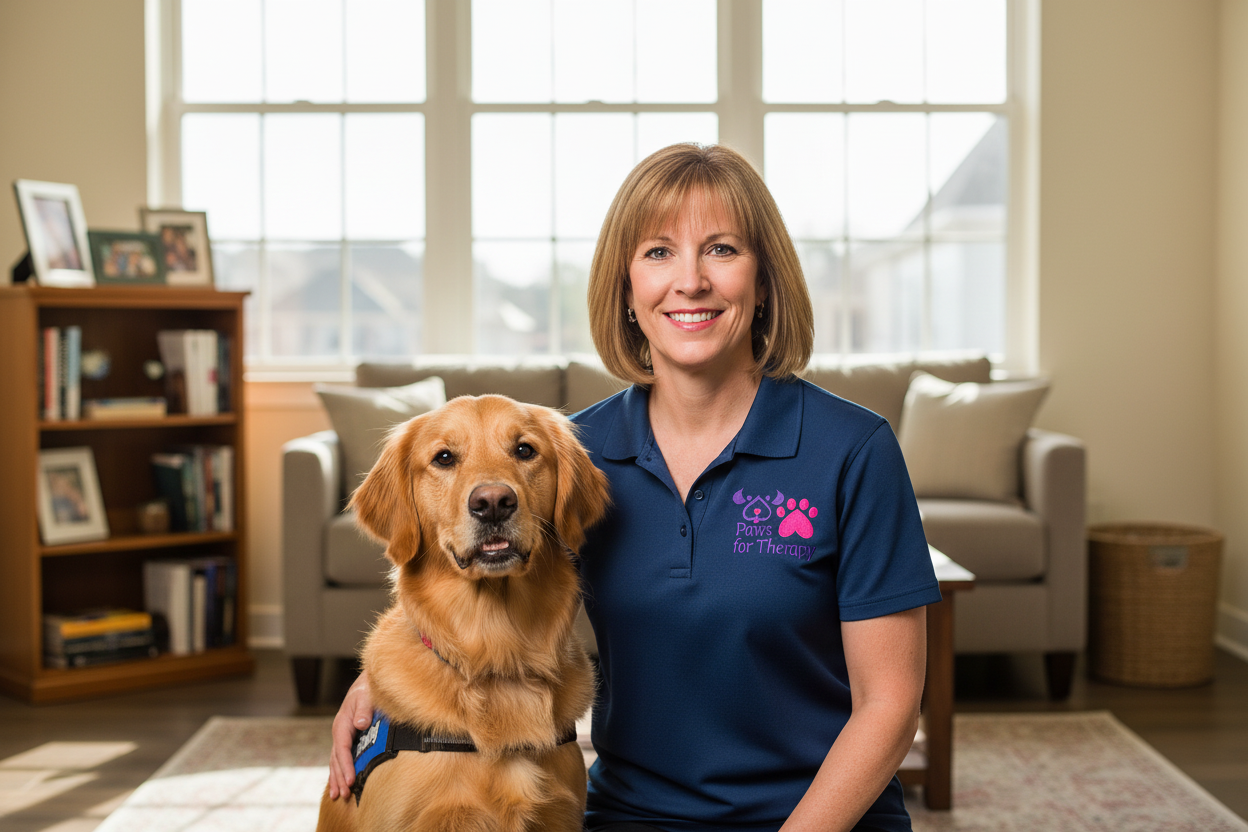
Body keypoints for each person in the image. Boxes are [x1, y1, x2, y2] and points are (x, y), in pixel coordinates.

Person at [326, 144, 941, 832]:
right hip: (632, 817)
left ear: (765, 280)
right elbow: (467, 581)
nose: (690, 281)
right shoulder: (566, 459)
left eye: (722, 249)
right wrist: (379, 687)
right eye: (657, 253)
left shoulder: (853, 449)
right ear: (625, 287)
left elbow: (889, 705)